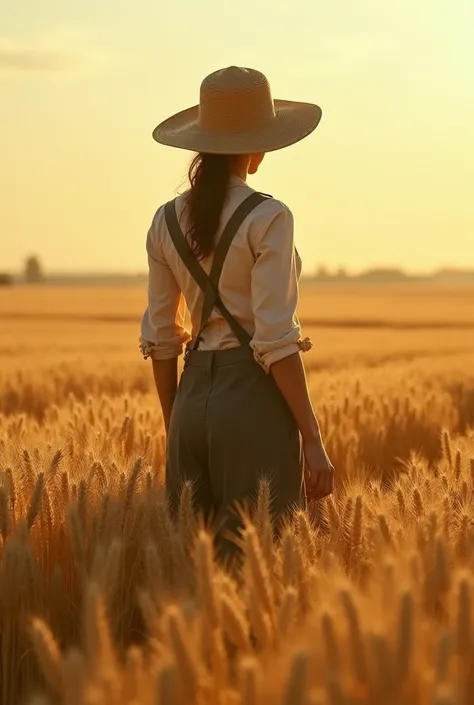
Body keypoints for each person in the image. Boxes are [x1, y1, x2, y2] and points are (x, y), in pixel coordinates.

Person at [140, 66, 334, 561]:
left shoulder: (164, 220)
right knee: (259, 570)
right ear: (259, 145)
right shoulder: (270, 217)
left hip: (187, 403)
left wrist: (175, 426)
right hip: (252, 405)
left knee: (193, 573)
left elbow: (162, 338)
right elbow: (274, 339)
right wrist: (312, 439)